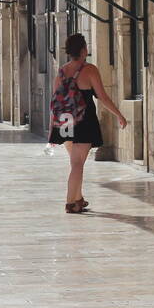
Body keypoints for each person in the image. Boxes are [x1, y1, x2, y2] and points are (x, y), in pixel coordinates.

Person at [47, 33, 128, 214]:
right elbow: (103, 97)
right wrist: (119, 115)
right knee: (78, 164)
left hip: (65, 122)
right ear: (84, 50)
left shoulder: (61, 72)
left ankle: (78, 198)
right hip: (84, 122)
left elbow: (55, 102)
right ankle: (70, 203)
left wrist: (53, 127)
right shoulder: (89, 70)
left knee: (75, 163)